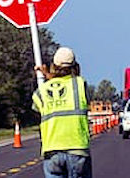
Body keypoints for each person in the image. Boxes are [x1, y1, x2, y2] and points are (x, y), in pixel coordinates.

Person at [32, 47, 92, 178]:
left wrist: (47, 78)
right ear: (75, 66)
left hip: (52, 150)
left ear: (53, 66)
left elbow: (38, 108)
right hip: (77, 149)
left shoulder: (41, 91)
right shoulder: (80, 84)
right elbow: (68, 84)